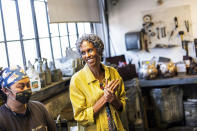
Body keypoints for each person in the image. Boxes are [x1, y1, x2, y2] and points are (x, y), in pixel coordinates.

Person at [69, 34, 126, 131]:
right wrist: (104, 98)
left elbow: (122, 107)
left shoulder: (113, 73)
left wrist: (114, 99)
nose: (87, 55)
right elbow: (80, 117)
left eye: (90, 50)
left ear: (98, 50)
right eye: (83, 53)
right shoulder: (77, 80)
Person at [0, 67, 56, 131]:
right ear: (6, 90)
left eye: (28, 85)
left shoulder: (40, 108)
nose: (26, 89)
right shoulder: (2, 119)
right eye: (21, 87)